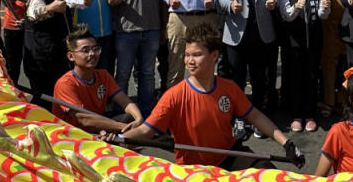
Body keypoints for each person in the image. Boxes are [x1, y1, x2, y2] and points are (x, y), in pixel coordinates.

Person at [107, 23, 302, 169]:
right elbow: (145, 132)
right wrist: (117, 139)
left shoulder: (229, 88)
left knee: (268, 174)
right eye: (187, 55)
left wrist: (287, 143)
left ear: (214, 55)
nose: (189, 61)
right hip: (194, 170)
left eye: (196, 55)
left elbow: (256, 117)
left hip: (229, 155)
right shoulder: (174, 96)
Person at [218, 0, 280, 114]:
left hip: (260, 33)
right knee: (236, 78)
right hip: (236, 34)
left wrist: (273, 1)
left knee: (259, 77)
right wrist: (231, 5)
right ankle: (238, 114)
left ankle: (258, 114)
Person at [110, 0, 162, 118]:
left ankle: (147, 114)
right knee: (123, 74)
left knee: (148, 74)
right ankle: (118, 113)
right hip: (126, 30)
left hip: (153, 29)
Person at [52, 26, 142, 133]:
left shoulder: (103, 75)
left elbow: (125, 102)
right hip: (73, 136)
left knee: (131, 119)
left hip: (96, 130)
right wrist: (123, 127)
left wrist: (139, 119)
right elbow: (84, 120)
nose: (92, 54)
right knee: (129, 130)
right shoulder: (65, 84)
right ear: (71, 56)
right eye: (85, 50)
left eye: (95, 49)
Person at [278, 0, 331, 133]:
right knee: (295, 79)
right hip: (293, 44)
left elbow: (323, 15)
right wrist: (297, 8)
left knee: (311, 78)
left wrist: (325, 6)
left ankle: (309, 115)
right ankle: (296, 115)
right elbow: (286, 16)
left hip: (313, 43)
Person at [24, 0, 72, 99]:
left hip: (59, 57)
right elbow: (34, 12)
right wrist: (51, 8)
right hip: (41, 61)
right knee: (45, 98)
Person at [314, 0, 347, 116]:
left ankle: (342, 100)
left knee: (346, 66)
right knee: (329, 66)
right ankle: (328, 101)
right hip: (328, 24)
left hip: (348, 24)